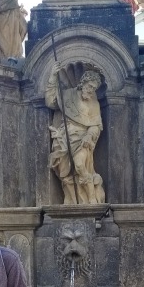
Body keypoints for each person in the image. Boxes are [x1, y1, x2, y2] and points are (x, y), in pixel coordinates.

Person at [45, 63, 106, 205]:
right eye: (89, 86)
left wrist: (89, 136)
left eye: (94, 88)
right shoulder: (68, 95)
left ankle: (91, 197)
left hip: (82, 140)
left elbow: (96, 125)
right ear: (83, 82)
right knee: (64, 171)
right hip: (64, 137)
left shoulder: (94, 104)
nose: (90, 91)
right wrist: (53, 77)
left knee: (79, 165)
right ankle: (71, 199)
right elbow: (50, 102)